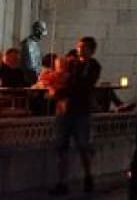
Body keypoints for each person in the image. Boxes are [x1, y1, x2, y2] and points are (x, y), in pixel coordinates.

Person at [49, 37, 102, 196]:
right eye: (79, 47)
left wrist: (62, 90)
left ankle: (88, 176)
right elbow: (61, 77)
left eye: (84, 47)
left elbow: (83, 86)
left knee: (83, 146)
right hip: (64, 110)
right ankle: (62, 182)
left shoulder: (93, 66)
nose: (80, 50)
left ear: (91, 50)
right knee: (61, 147)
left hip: (80, 112)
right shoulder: (71, 63)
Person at [19, 20, 47, 85]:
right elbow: (29, 66)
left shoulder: (34, 43)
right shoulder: (28, 44)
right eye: (41, 33)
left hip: (34, 77)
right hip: (29, 80)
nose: (42, 37)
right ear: (37, 31)